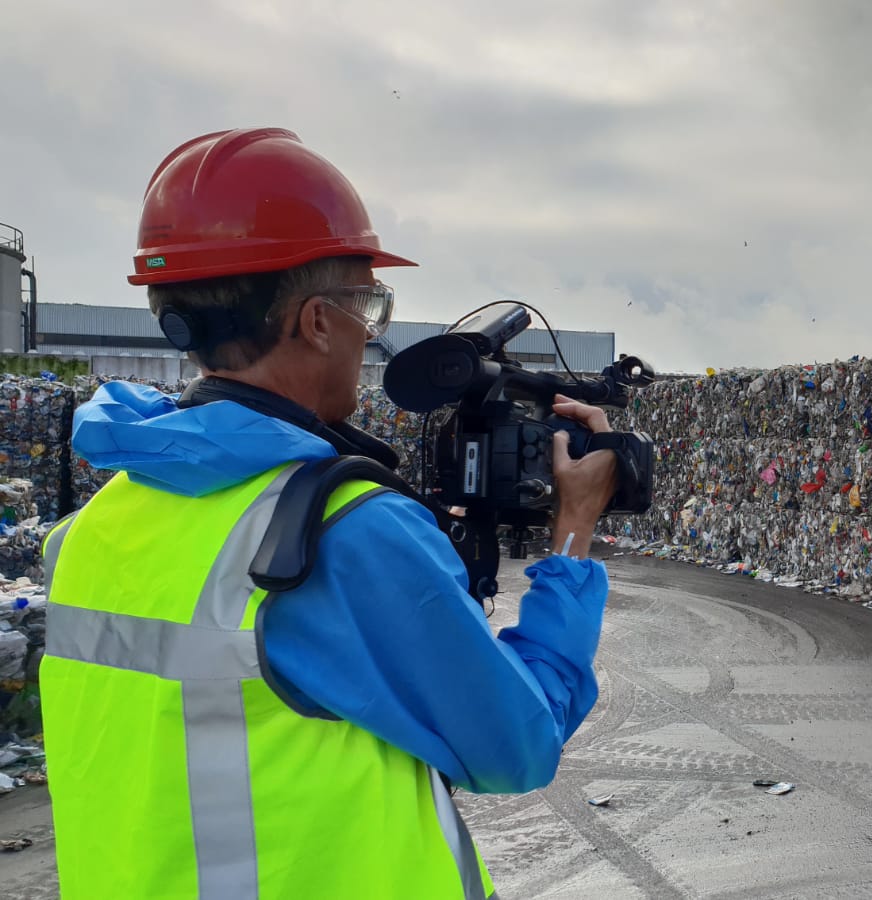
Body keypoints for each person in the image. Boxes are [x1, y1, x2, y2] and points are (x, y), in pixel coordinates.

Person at [38, 127, 617, 899]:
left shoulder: (97, 523)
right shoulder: (341, 531)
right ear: (315, 320)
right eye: (366, 303)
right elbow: (516, 744)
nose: (369, 332)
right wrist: (574, 531)